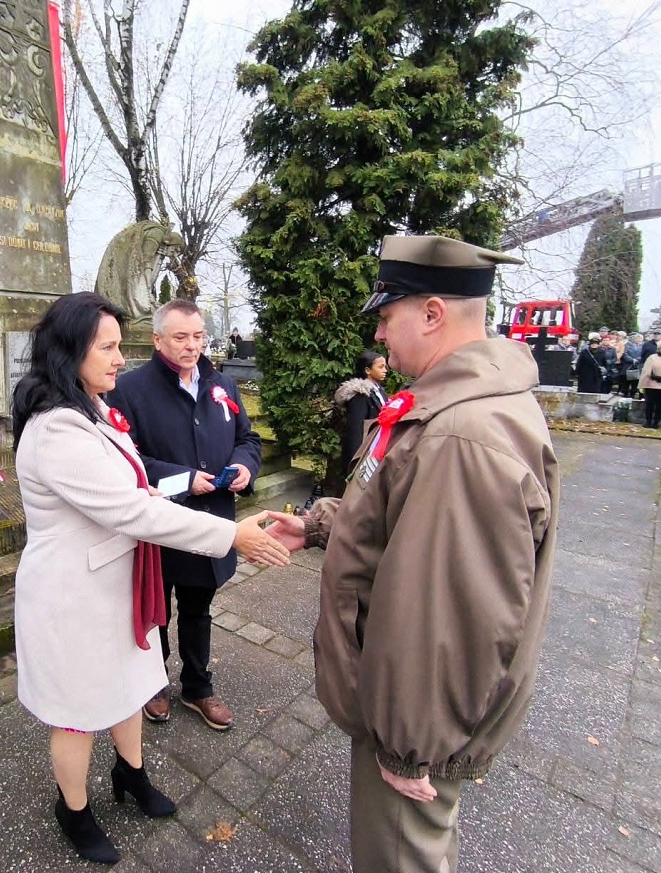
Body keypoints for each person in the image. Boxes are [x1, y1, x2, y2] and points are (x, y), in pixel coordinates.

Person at [265, 235, 560, 873]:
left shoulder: (461, 435)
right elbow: (403, 524)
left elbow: (449, 618)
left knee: (399, 856)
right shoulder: (446, 409)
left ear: (431, 313)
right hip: (399, 708)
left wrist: (409, 748)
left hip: (408, 728)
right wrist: (318, 526)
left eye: (386, 313)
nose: (378, 331)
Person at [11, 293, 289, 865]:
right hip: (74, 596)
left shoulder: (91, 407)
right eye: (108, 348)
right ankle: (74, 807)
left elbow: (139, 490)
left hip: (119, 581)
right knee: (78, 710)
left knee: (132, 685)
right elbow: (131, 508)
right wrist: (229, 534)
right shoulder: (57, 428)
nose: (120, 358)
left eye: (118, 346)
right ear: (70, 353)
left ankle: (130, 776)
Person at [107, 299, 259, 731]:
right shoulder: (130, 390)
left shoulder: (222, 386)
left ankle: (197, 687)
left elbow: (247, 439)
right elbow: (126, 458)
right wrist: (181, 478)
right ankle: (153, 682)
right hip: (160, 525)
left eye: (198, 337)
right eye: (180, 337)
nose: (191, 346)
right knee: (158, 611)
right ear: (158, 339)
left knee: (198, 611)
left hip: (212, 523)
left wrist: (245, 466)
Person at [333, 350, 388, 473]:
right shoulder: (360, 394)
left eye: (385, 366)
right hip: (365, 452)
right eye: (381, 367)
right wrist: (355, 462)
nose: (385, 370)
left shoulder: (379, 390)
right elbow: (356, 429)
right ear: (367, 370)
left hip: (377, 449)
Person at [618, 332, 643, 398]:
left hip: (637, 366)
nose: (638, 339)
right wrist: (632, 360)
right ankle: (625, 395)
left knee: (635, 383)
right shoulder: (626, 345)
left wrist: (637, 359)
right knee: (625, 383)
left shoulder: (642, 346)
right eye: (636, 338)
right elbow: (624, 354)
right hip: (627, 366)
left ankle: (633, 395)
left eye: (639, 338)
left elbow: (643, 355)